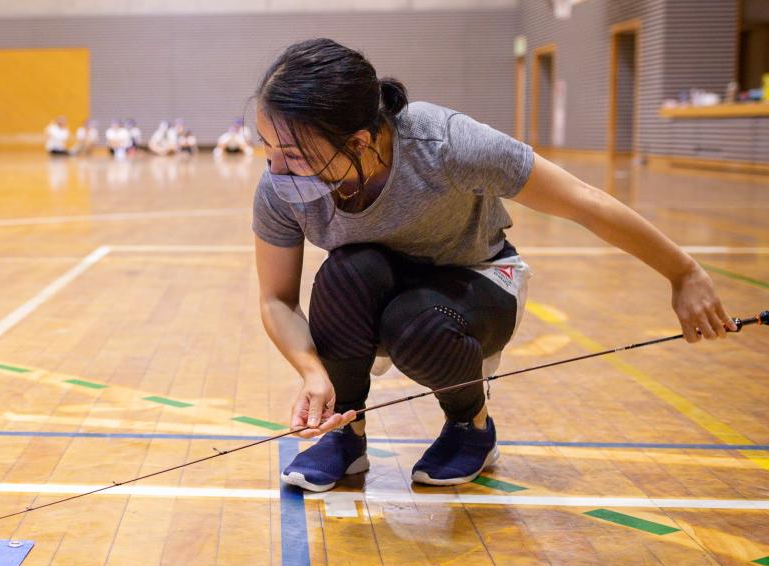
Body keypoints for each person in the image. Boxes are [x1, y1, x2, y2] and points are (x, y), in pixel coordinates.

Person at [254, 39, 733, 492]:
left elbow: (583, 202)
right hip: (385, 288)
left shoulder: (445, 144)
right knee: (344, 273)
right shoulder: (280, 189)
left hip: (480, 283)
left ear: (359, 143)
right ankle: (346, 435)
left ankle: (471, 428)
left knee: (414, 321)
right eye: (267, 148)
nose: (275, 170)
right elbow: (276, 299)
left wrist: (683, 272)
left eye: (293, 156)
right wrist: (314, 374)